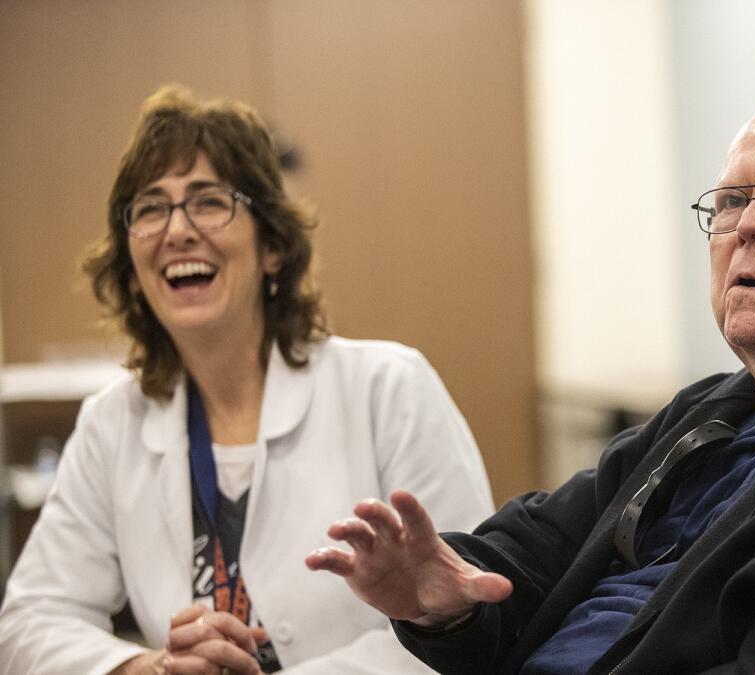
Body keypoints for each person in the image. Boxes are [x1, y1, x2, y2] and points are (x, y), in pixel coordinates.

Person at [306, 80, 755, 674]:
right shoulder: (714, 414)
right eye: (729, 203)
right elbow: (541, 543)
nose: (747, 229)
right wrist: (448, 597)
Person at [0, 86, 495, 675]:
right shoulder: (113, 423)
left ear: (273, 247)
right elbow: (29, 621)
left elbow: (467, 617)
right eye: (151, 208)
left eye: (208, 201)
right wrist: (149, 669)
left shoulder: (390, 390)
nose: (177, 230)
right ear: (132, 271)